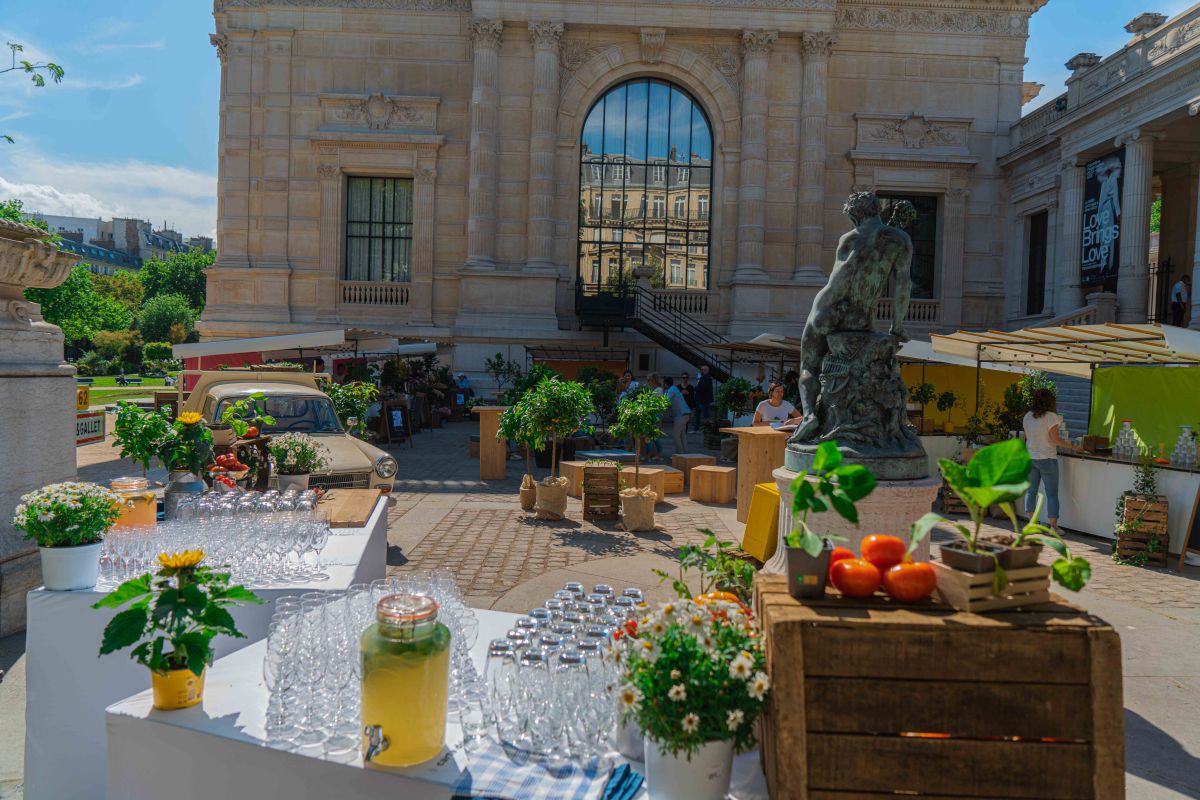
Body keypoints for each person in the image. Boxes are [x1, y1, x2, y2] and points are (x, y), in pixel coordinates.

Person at [1022, 388, 1082, 533]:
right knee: (1051, 494)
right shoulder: (1051, 417)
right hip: (1047, 458)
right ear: (1050, 401)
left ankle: (1031, 524)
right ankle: (1053, 527)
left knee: (1031, 491)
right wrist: (1073, 447)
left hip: (1030, 457)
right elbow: (1054, 439)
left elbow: (1028, 437)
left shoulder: (1027, 416)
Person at [663, 376, 692, 455]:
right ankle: (685, 454)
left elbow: (665, 401)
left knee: (676, 436)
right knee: (682, 436)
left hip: (681, 416)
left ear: (665, 384)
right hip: (685, 415)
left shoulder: (671, 390)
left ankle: (680, 454)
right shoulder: (674, 389)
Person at [693, 364, 714, 432]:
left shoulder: (707, 378)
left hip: (703, 400)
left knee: (705, 415)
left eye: (703, 370)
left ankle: (707, 428)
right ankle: (697, 427)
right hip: (700, 399)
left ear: (706, 371)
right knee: (698, 414)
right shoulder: (703, 377)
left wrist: (695, 388)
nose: (702, 371)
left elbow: (702, 388)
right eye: (701, 370)